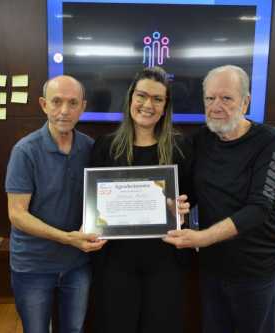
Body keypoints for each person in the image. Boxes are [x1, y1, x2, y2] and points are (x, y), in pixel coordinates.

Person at [164, 65, 275, 333]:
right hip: (212, 267)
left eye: (226, 98)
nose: (216, 106)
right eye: (210, 98)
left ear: (246, 101)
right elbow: (193, 192)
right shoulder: (200, 139)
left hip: (254, 268)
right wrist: (179, 205)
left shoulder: (271, 141)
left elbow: (259, 208)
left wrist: (202, 238)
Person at [90, 66, 193, 333]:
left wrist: (183, 207)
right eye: (142, 96)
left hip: (165, 261)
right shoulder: (105, 146)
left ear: (165, 106)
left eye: (158, 99)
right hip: (116, 262)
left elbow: (191, 200)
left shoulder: (181, 148)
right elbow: (92, 203)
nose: (148, 105)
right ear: (130, 98)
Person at [5, 75, 106, 333]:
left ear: (83, 107)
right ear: (43, 104)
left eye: (73, 103)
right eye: (57, 102)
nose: (64, 111)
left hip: (77, 265)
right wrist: (67, 238)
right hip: (33, 266)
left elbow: (102, 198)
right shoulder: (25, 151)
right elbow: (17, 214)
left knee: (73, 329)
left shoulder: (90, 147)